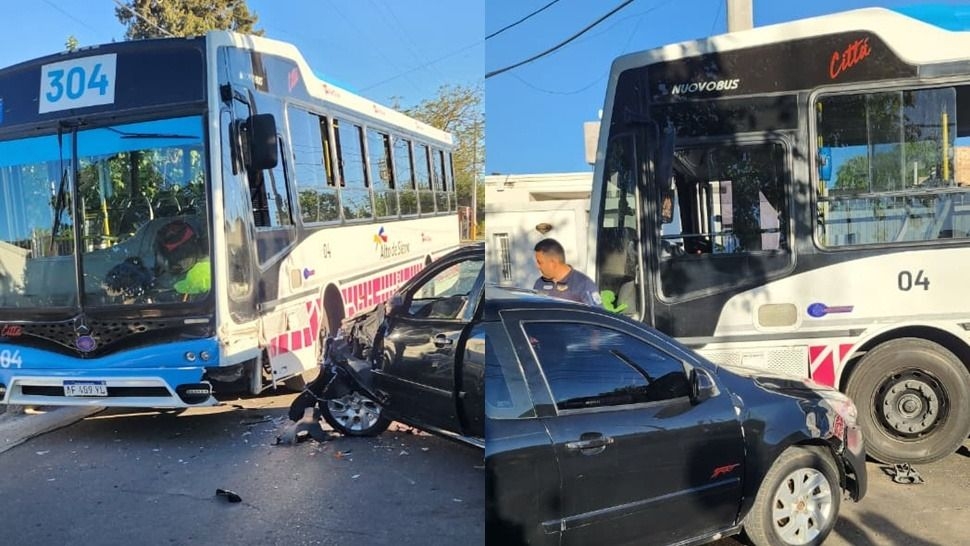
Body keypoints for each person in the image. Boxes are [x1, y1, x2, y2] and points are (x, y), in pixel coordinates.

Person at [532, 238, 602, 307]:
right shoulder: (539, 283)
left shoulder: (583, 284)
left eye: (540, 262)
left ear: (553, 263)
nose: (537, 266)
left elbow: (597, 315)